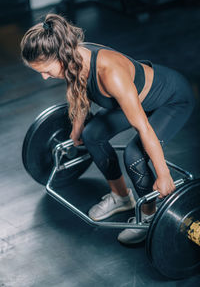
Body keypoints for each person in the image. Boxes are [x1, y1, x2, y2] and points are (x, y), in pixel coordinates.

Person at [20, 13, 195, 244]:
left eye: (46, 70)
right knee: (91, 134)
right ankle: (122, 197)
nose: (44, 77)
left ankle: (150, 216)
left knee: (134, 154)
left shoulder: (110, 73)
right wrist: (76, 129)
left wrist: (163, 175)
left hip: (171, 100)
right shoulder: (72, 57)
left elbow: (143, 128)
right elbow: (81, 92)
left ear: (61, 58)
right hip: (136, 101)